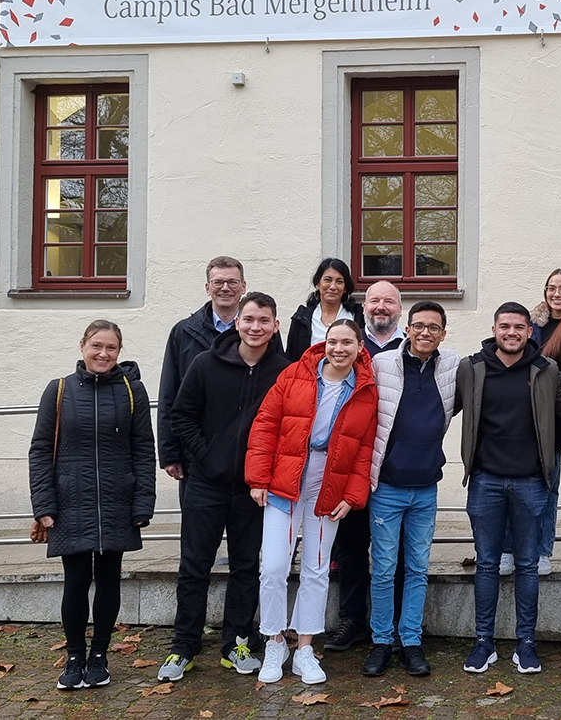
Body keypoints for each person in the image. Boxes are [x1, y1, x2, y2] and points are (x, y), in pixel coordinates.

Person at [158, 293, 289, 683]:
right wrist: (207, 458)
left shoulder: (284, 373)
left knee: (247, 567)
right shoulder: (205, 364)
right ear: (237, 323)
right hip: (205, 484)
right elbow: (181, 416)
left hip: (253, 490)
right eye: (249, 319)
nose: (255, 327)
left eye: (264, 321)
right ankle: (184, 646)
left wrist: (261, 472)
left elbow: (286, 430)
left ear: (275, 326)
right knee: (194, 567)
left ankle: (237, 643)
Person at [246, 320, 378, 685]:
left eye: (347, 342)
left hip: (328, 483)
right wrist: (258, 478)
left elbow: (364, 447)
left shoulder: (366, 388)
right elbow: (265, 425)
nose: (339, 348)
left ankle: (305, 647)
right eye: (333, 341)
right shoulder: (295, 374)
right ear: (324, 343)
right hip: (285, 480)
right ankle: (274, 641)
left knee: (317, 570)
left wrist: (353, 495)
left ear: (359, 346)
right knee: (272, 567)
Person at [29, 320, 156, 691]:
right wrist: (43, 504)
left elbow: (144, 449)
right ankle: (73, 657)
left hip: (117, 499)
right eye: (96, 346)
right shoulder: (59, 391)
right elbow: (40, 450)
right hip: (71, 501)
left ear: (119, 351)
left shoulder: (132, 391)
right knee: (76, 581)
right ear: (82, 345)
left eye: (111, 348)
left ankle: (99, 655)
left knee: (109, 580)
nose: (103, 354)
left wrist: (142, 501)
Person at [457, 303, 561, 676]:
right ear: (494, 329)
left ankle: (526, 643)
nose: (512, 332)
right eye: (505, 326)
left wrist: (543, 455)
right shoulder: (472, 368)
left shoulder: (546, 370)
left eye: (519, 327)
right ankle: (483, 643)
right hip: (485, 481)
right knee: (488, 564)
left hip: (530, 482)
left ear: (529, 332)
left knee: (526, 565)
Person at [361, 301, 460, 678]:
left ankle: (411, 641)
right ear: (407, 329)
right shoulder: (382, 363)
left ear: (443, 334)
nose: (425, 333)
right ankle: (382, 641)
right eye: (419, 326)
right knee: (384, 569)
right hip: (387, 485)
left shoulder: (451, 365)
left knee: (418, 568)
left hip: (426, 488)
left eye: (433, 328)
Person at [327, 280, 405, 653]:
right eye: (374, 300)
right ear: (363, 308)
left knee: (399, 551)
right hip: (352, 466)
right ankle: (352, 619)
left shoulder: (412, 348)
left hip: (395, 469)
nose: (380, 307)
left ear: (399, 309)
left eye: (388, 301)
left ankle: (397, 623)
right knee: (352, 547)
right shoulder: (350, 350)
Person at [500, 269, 561, 577]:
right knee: (513, 485)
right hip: (523, 413)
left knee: (547, 486)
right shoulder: (531, 323)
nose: (556, 294)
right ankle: (508, 550)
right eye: (551, 288)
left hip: (555, 416)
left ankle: (542, 551)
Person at [158, 256, 249, 487]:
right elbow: (170, 393)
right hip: (196, 451)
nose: (225, 288)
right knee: (198, 523)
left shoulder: (260, 332)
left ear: (244, 286)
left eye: (232, 282)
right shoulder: (183, 332)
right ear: (208, 288)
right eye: (218, 282)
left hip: (247, 452)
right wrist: (170, 453)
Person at [285, 257, 366, 355]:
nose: (332, 287)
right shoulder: (302, 317)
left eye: (339, 282)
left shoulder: (358, 316)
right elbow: (291, 355)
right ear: (318, 284)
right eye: (327, 280)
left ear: (345, 288)